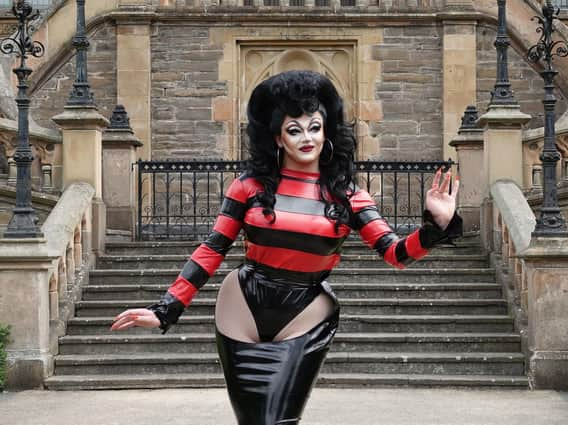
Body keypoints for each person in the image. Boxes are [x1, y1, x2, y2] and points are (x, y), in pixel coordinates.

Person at [110, 70, 463, 425]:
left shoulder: (350, 196)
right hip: (242, 308)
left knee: (277, 421)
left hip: (306, 312)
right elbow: (213, 248)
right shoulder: (247, 187)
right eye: (294, 130)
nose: (306, 138)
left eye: (314, 127)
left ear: (327, 133)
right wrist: (167, 308)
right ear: (278, 139)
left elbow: (395, 253)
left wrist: (436, 228)